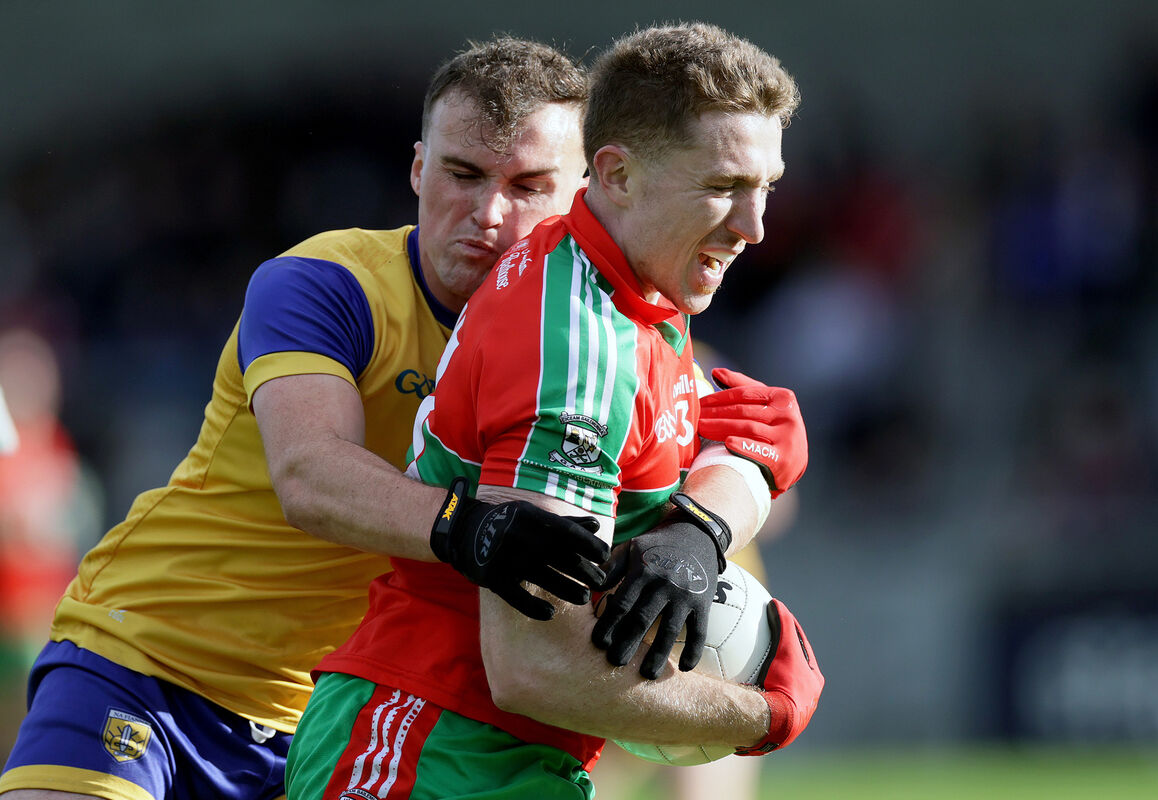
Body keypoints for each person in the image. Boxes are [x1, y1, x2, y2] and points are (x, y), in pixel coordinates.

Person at [0, 35, 799, 800]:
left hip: (324, 714)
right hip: (154, 657)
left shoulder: (582, 327)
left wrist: (701, 527)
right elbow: (310, 478)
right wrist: (471, 527)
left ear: (583, 191)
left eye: (526, 188)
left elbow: (753, 430)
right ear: (416, 171)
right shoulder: (325, 282)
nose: (489, 214)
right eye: (462, 173)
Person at [286, 22, 823, 800]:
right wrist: (765, 713)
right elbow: (531, 669)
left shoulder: (637, 290)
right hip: (427, 748)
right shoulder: (574, 353)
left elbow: (758, 426)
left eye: (763, 187)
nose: (754, 227)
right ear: (617, 175)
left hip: (495, 753)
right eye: (721, 188)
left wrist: (698, 533)